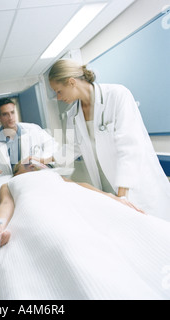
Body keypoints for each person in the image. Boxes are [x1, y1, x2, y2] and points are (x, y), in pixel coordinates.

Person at [0, 163, 170, 300]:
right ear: (17, 171)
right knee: (66, 239)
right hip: (37, 203)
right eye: (24, 164)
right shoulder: (11, 183)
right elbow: (6, 204)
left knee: (128, 222)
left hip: (73, 199)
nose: (30, 165)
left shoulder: (52, 175)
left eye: (32, 163)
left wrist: (112, 197)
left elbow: (81, 185)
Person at [48, 59, 170, 221]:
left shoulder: (117, 95)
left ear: (71, 82)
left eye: (58, 91)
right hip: (108, 189)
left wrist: (123, 197)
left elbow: (130, 148)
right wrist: (43, 160)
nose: (58, 97)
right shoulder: (73, 115)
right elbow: (72, 148)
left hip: (133, 187)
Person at [0, 98, 57, 179]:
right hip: (7, 180)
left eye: (12, 112)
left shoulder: (33, 129)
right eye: (5, 114)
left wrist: (43, 160)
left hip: (35, 178)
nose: (10, 117)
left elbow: (51, 144)